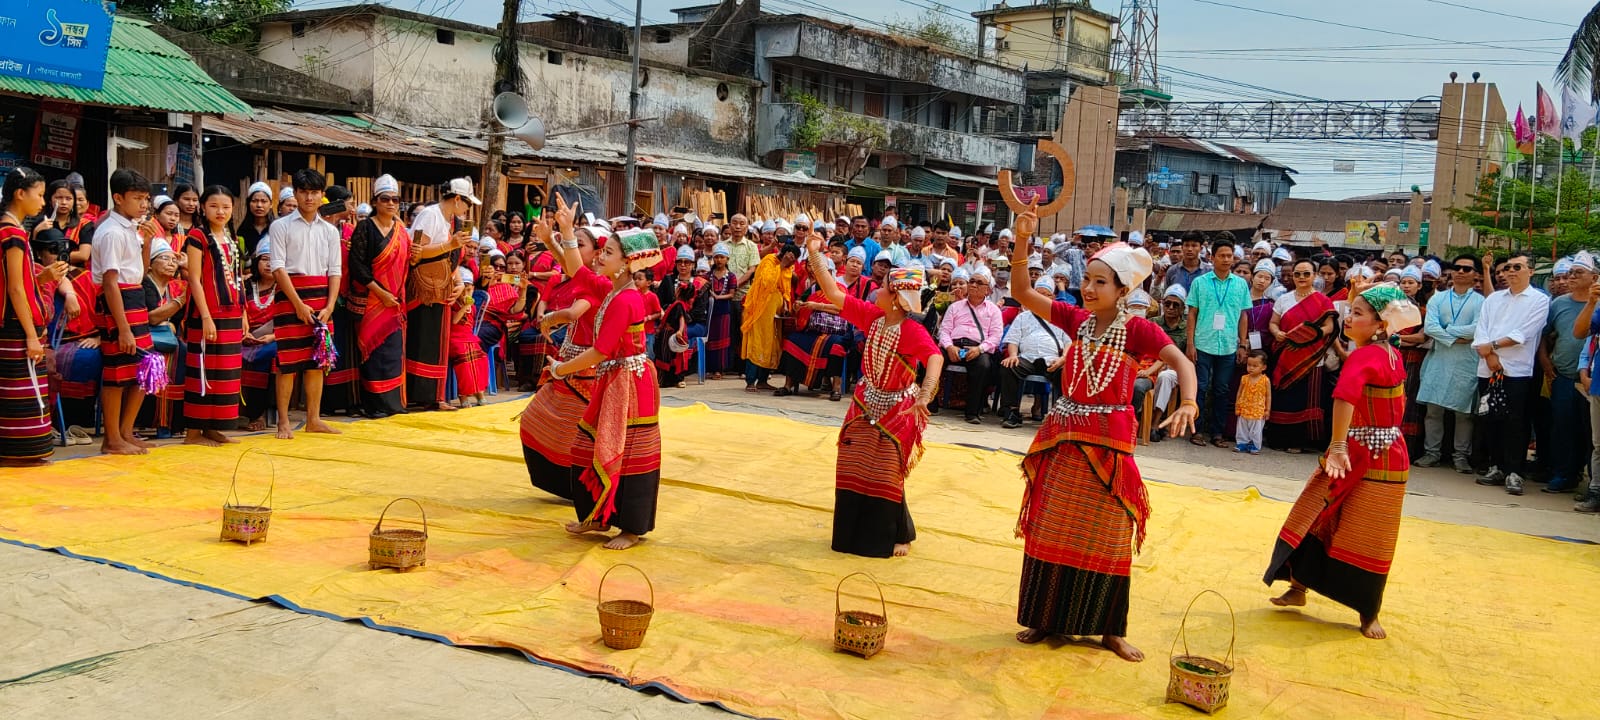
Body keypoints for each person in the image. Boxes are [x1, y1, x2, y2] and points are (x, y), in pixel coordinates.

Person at [1006, 204, 1198, 662]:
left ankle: (1109, 629)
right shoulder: (1076, 320)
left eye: (1099, 282)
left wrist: (1188, 401)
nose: (1088, 289)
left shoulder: (1140, 330)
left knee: (1108, 534)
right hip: (1064, 435)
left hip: (1110, 443)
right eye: (1087, 280)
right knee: (1052, 526)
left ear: (1122, 288)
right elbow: (1020, 292)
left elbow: (1183, 364)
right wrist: (1022, 239)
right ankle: (1044, 617)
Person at [1265, 282, 1419, 640]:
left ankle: (1368, 612)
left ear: (1381, 324)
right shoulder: (1387, 351)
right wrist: (1358, 295)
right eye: (1351, 310)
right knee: (1318, 516)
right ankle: (1299, 588)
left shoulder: (1369, 355)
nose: (1350, 316)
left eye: (1359, 313)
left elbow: (1345, 396)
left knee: (1363, 532)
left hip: (1367, 456)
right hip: (1384, 450)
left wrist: (1337, 446)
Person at [802, 231, 942, 557]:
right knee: (852, 462)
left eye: (882, 287)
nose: (875, 288)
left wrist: (924, 396)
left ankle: (895, 534)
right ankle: (850, 534)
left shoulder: (911, 330)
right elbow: (832, 290)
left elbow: (934, 357)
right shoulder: (872, 316)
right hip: (866, 400)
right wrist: (813, 253)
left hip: (897, 407)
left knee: (885, 469)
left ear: (895, 297)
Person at [550, 224, 663, 551]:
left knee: (630, 455)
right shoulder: (613, 289)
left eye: (609, 253)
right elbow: (577, 270)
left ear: (628, 262)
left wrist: (560, 369)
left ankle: (631, 528)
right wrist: (566, 233)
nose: (600, 257)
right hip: (614, 380)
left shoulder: (625, 300)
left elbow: (600, 351)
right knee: (588, 445)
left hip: (630, 385)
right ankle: (598, 515)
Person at [517, 201, 611, 500]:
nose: (573, 248)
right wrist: (551, 239)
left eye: (579, 244)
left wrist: (550, 318)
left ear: (597, 253)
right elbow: (572, 264)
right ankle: (570, 484)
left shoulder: (599, 282)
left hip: (585, 367)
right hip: (575, 362)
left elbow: (574, 312)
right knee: (547, 422)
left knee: (569, 430)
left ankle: (579, 485)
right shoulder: (591, 277)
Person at [268, 168, 343, 440]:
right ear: (296, 194)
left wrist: (331, 305)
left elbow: (335, 270)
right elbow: (277, 268)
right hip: (290, 296)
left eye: (314, 192)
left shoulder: (330, 231)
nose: (309, 197)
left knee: (317, 362)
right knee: (287, 361)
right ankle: (283, 422)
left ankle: (314, 418)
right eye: (304, 192)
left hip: (322, 296)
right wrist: (297, 303)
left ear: (322, 196)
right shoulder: (280, 226)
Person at [1472, 253, 1549, 495]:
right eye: (1508, 267)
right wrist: (1490, 355)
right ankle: (1495, 465)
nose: (1511, 271)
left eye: (1518, 267)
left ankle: (1514, 471)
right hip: (1488, 367)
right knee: (1491, 417)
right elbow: (1481, 329)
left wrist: (1492, 348)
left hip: (1517, 371)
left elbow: (1523, 333)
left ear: (1531, 271)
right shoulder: (1493, 299)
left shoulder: (1539, 300)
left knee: (1516, 420)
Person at [95, 168, 158, 456]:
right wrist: (122, 328)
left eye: (146, 198)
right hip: (117, 302)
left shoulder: (131, 229)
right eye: (137, 198)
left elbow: (141, 272)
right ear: (118, 198)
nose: (144, 205)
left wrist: (146, 243)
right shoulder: (110, 232)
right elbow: (110, 282)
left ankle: (126, 431)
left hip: (134, 298)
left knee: (143, 369)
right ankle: (112, 437)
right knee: (117, 372)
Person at [180, 186, 245, 446]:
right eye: (214, 206)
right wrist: (205, 315)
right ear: (203, 208)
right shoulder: (197, 236)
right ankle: (193, 432)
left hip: (231, 311)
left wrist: (243, 313)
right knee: (203, 369)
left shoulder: (230, 237)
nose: (221, 211)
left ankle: (214, 427)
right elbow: (194, 279)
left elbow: (236, 278)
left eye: (226, 207)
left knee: (225, 374)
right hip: (207, 312)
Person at [407, 178, 478, 412]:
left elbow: (454, 260)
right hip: (425, 287)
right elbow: (416, 253)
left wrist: (458, 282)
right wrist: (450, 246)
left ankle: (435, 395)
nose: (468, 209)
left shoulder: (454, 221)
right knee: (424, 339)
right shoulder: (431, 215)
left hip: (444, 286)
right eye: (467, 203)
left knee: (438, 341)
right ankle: (422, 394)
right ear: (457, 199)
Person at [0, 167, 56, 465]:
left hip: (10, 322)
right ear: (20, 194)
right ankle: (19, 453)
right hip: (15, 326)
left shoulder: (10, 230)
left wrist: (43, 278)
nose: (43, 202)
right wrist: (32, 336)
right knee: (19, 391)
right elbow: (15, 289)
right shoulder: (12, 233)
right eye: (40, 194)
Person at [344, 175, 410, 418]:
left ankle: (393, 404)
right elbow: (357, 265)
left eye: (395, 199)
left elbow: (405, 265)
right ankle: (375, 405)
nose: (391, 203)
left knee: (392, 353)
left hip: (394, 301)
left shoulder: (401, 230)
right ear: (375, 201)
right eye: (385, 199)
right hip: (371, 300)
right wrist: (380, 293)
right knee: (372, 354)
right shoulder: (365, 227)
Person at [1415, 254, 1484, 473]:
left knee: (1464, 413)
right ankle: (1432, 453)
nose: (1461, 272)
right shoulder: (1438, 298)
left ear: (1476, 275)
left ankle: (1460, 456)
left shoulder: (1481, 302)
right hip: (1438, 360)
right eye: (1458, 268)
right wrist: (1458, 338)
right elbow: (1430, 328)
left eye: (1467, 269)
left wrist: (1446, 332)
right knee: (1433, 410)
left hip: (1466, 363)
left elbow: (1477, 330)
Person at [1265, 259, 1338, 453]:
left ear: (1314, 276)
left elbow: (1330, 326)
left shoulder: (1323, 301)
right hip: (1286, 355)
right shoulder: (1284, 299)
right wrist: (1277, 333)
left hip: (1312, 358)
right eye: (1297, 274)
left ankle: (1299, 441)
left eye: (1306, 274)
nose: (1301, 278)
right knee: (1285, 397)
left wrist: (1311, 335)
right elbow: (1273, 322)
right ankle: (1278, 439)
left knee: (1306, 399)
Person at [1537, 253, 1595, 494]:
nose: (1571, 277)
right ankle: (1563, 475)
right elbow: (1544, 335)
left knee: (1591, 434)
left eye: (1577, 273)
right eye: (1569, 273)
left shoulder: (1598, 304)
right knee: (1562, 428)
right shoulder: (1559, 304)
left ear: (1594, 277)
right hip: (1563, 376)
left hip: (1592, 380)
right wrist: (1545, 361)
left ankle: (1593, 481)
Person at [1185, 239, 1251, 448]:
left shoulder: (1240, 284)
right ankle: (1196, 431)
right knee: (1201, 387)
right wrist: (1190, 344)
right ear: (1212, 257)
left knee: (1222, 389)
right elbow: (1192, 314)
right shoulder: (1200, 282)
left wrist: (1242, 344)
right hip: (1203, 342)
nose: (1226, 259)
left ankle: (1217, 433)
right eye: (1221, 255)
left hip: (1229, 345)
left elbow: (1243, 316)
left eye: (1229, 256)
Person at [998, 277, 1069, 428]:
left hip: (1053, 360)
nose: (1041, 298)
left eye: (1046, 294)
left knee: (1067, 372)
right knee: (1009, 367)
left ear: (1053, 297)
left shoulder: (1061, 317)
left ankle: (1060, 417)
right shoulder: (1023, 317)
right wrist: (1012, 356)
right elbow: (1013, 340)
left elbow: (1069, 342)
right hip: (1027, 358)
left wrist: (1063, 358)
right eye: (1038, 294)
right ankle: (1012, 412)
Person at [777, 258, 851, 400]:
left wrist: (817, 306)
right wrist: (798, 306)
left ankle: (836, 387)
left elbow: (843, 309)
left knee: (836, 346)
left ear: (830, 272)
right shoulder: (812, 288)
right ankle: (788, 385)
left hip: (835, 331)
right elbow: (801, 304)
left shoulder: (840, 289)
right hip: (813, 329)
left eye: (824, 272)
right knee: (792, 340)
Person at [938, 266, 1003, 423]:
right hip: (954, 345)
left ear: (987, 290)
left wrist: (979, 349)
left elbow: (996, 337)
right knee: (935, 358)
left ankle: (973, 411)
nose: (973, 285)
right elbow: (944, 331)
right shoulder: (955, 306)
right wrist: (949, 347)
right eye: (971, 281)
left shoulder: (994, 311)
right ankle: (931, 403)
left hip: (977, 348)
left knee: (984, 366)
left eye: (978, 282)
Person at [740, 242, 798, 393]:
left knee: (771, 343)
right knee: (758, 342)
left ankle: (763, 381)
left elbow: (784, 288)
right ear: (785, 254)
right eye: (791, 259)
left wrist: (786, 304)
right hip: (760, 310)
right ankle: (751, 381)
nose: (792, 263)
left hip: (774, 312)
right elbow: (767, 282)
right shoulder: (769, 261)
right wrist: (781, 265)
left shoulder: (787, 267)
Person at [240, 241, 278, 431]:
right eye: (264, 259)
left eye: (273, 260)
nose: (269, 264)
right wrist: (244, 332)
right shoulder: (246, 285)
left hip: (273, 338)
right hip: (245, 337)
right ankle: (232, 411)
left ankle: (259, 413)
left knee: (269, 355)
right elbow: (239, 310)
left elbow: (289, 318)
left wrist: (272, 336)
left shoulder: (284, 287)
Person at [447, 267, 489, 407]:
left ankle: (479, 392)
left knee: (481, 358)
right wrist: (464, 306)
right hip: (455, 339)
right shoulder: (453, 304)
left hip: (468, 338)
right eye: (463, 290)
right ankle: (463, 395)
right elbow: (454, 321)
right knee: (465, 360)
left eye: (469, 290)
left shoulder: (473, 307)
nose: (466, 293)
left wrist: (467, 305)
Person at [705, 244, 737, 378]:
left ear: (727, 259)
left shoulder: (731, 276)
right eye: (716, 257)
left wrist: (718, 297)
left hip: (724, 310)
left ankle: (720, 369)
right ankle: (711, 368)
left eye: (721, 257)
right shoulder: (708, 275)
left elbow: (731, 294)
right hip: (711, 310)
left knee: (723, 339)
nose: (719, 260)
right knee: (711, 338)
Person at [1235, 350, 1271, 454]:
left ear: (1263, 367)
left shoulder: (1265, 380)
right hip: (1244, 408)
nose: (1251, 368)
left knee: (1256, 429)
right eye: (1249, 365)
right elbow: (1239, 392)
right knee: (1242, 427)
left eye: (1255, 366)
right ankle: (1241, 443)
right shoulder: (1244, 378)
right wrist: (1238, 405)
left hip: (1258, 411)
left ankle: (1254, 445)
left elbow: (1268, 396)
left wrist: (1267, 410)